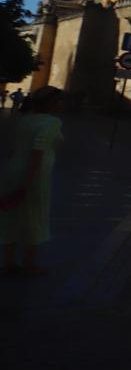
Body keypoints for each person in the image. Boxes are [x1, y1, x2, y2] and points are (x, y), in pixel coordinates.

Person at [1, 86, 65, 276]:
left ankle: (9, 262)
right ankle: (28, 263)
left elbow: (13, 149)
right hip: (35, 174)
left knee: (10, 215)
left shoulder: (25, 119)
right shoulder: (52, 122)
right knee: (34, 215)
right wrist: (27, 183)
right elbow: (38, 151)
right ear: (51, 104)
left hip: (13, 170)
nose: (63, 105)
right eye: (60, 101)